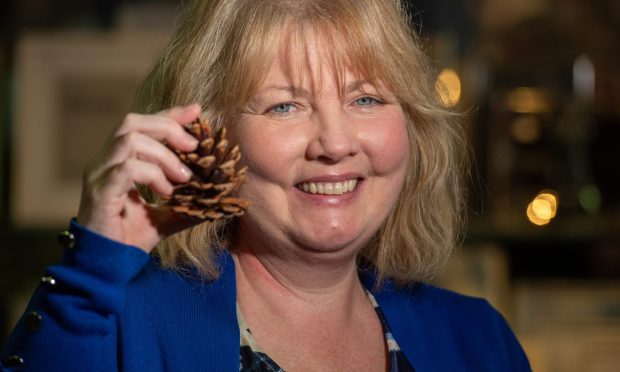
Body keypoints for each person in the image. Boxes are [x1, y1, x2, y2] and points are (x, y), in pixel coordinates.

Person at [1, 0, 531, 371]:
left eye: (366, 99)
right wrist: (91, 268)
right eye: (285, 105)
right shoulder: (120, 328)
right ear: (208, 136)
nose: (335, 143)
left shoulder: (479, 340)